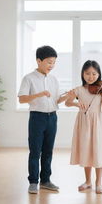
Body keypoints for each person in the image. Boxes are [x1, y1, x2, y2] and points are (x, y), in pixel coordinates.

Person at [18, 45, 69, 194]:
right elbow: (22, 99)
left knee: (48, 151)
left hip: (52, 117)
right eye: (49, 62)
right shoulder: (28, 78)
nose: (51, 66)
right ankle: (33, 182)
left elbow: (56, 100)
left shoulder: (54, 79)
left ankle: (46, 181)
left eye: (53, 62)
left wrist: (67, 97)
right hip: (37, 118)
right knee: (35, 151)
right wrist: (39, 94)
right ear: (38, 61)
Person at [65, 60, 102, 194]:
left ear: (99, 74)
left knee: (98, 151)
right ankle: (88, 181)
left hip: (98, 124)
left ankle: (99, 183)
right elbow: (68, 102)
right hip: (83, 123)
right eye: (87, 73)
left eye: (94, 74)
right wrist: (76, 104)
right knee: (86, 151)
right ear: (83, 74)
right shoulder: (78, 90)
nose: (91, 77)